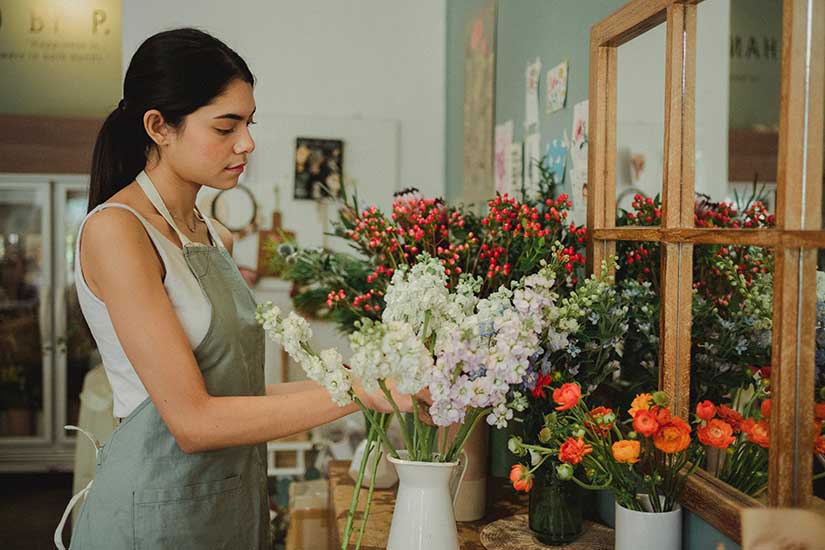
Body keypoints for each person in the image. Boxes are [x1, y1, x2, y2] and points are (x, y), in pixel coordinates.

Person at [54, 28, 418, 550]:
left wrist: (365, 378)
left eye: (248, 123)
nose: (246, 142)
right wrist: (359, 391)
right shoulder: (117, 232)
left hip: (228, 510)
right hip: (154, 520)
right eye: (226, 127)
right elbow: (194, 421)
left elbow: (238, 399)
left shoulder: (212, 234)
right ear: (158, 127)